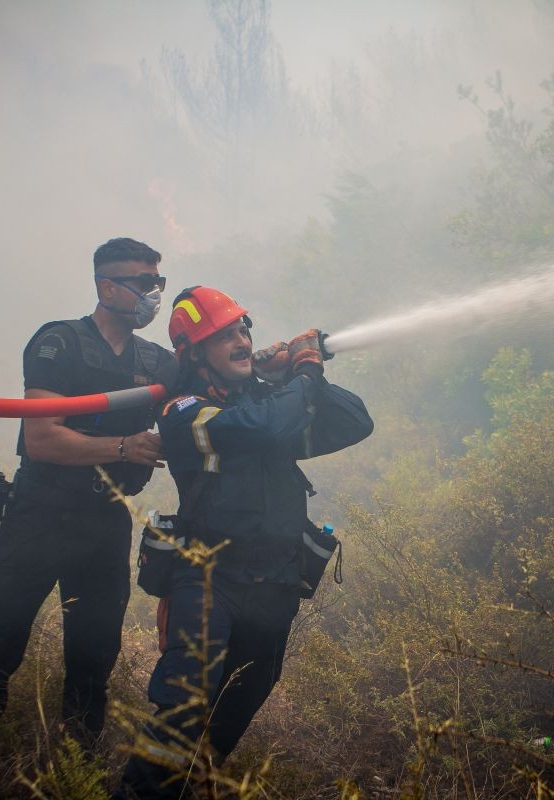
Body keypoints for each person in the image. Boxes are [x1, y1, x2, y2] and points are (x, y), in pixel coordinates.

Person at [0, 238, 178, 800]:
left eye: (156, 283)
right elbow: (41, 439)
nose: (151, 294)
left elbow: (209, 390)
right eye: (141, 283)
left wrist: (266, 362)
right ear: (106, 286)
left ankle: (75, 783)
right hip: (39, 519)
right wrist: (121, 447)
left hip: (104, 525)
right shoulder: (58, 341)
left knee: (92, 670)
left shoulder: (157, 363)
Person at [115, 286, 374, 799]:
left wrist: (284, 375)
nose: (241, 340)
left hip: (274, 586)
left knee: (244, 697)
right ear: (194, 355)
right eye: (224, 335)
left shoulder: (266, 400)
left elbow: (354, 421)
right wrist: (303, 372)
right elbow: (262, 426)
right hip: (209, 580)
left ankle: (190, 787)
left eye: (242, 329)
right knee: (185, 707)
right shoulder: (183, 412)